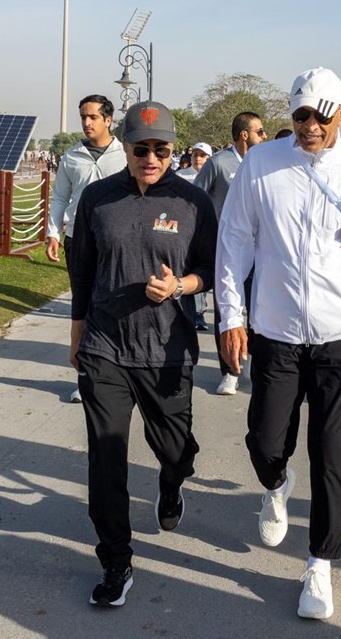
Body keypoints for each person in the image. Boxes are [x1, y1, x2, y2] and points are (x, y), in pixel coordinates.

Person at [216, 67, 341, 620]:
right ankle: (276, 483)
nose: (310, 126)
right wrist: (231, 316)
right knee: (264, 440)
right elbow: (235, 241)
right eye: (300, 115)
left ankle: (320, 562)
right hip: (275, 332)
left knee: (330, 450)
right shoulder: (261, 164)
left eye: (321, 116)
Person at [69, 101, 216, 608]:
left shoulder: (193, 202)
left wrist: (180, 286)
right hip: (105, 348)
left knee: (176, 451)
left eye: (161, 150)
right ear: (126, 147)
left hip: (167, 350)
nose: (151, 158)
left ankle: (172, 484)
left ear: (174, 150)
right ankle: (116, 560)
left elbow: (211, 271)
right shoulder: (97, 198)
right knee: (105, 458)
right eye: (141, 149)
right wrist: (77, 334)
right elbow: (81, 271)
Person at [46, 95, 127, 404]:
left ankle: (117, 374)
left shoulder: (125, 155)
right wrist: (53, 233)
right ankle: (86, 377)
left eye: (93, 116)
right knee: (83, 307)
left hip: (115, 240)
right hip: (77, 239)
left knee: (113, 303)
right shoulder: (72, 156)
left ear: (108, 119)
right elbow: (59, 198)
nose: (87, 122)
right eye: (83, 117)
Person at [194, 112, 267, 395]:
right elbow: (196, 199)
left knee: (259, 309)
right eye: (260, 131)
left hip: (261, 250)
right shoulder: (218, 163)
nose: (265, 136)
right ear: (244, 134)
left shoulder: (264, 163)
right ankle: (230, 370)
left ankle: (254, 361)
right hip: (228, 250)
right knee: (227, 308)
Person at [176, 142, 214, 330]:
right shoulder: (180, 176)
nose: (198, 158)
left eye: (203, 155)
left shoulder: (213, 175)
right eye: (195, 154)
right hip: (184, 228)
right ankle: (193, 312)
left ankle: (200, 311)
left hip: (205, 227)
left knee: (203, 269)